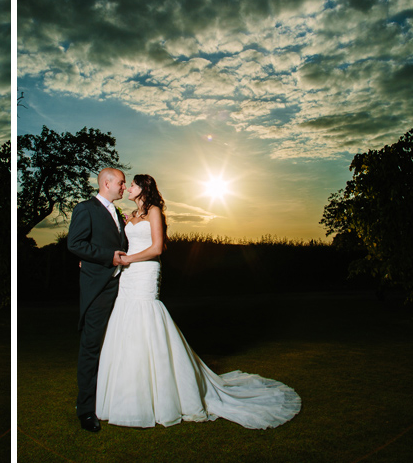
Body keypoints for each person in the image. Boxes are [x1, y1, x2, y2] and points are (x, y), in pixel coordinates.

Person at [96, 174, 301, 429]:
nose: (127, 188)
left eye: (133, 185)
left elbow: (158, 248)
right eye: (126, 185)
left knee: (147, 319)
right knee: (127, 325)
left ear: (144, 189)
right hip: (127, 278)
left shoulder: (155, 212)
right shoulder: (131, 215)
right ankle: (125, 394)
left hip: (145, 272)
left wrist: (128, 259)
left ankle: (163, 394)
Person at [67, 168, 129, 432]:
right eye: (121, 183)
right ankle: (85, 410)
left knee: (120, 343)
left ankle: (118, 398)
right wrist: (107, 257)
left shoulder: (117, 214)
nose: (124, 187)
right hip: (99, 288)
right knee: (91, 346)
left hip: (124, 286)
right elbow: (75, 243)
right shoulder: (86, 208)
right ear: (107, 183)